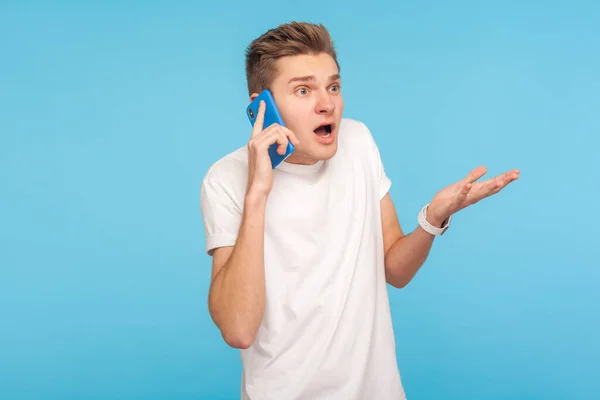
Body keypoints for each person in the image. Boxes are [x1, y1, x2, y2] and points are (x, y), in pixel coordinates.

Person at [200, 21, 519, 400]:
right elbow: (238, 329)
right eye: (303, 90)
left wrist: (432, 219)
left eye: (333, 86)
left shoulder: (359, 142)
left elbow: (395, 270)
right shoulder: (225, 179)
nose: (327, 104)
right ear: (260, 107)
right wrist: (257, 193)